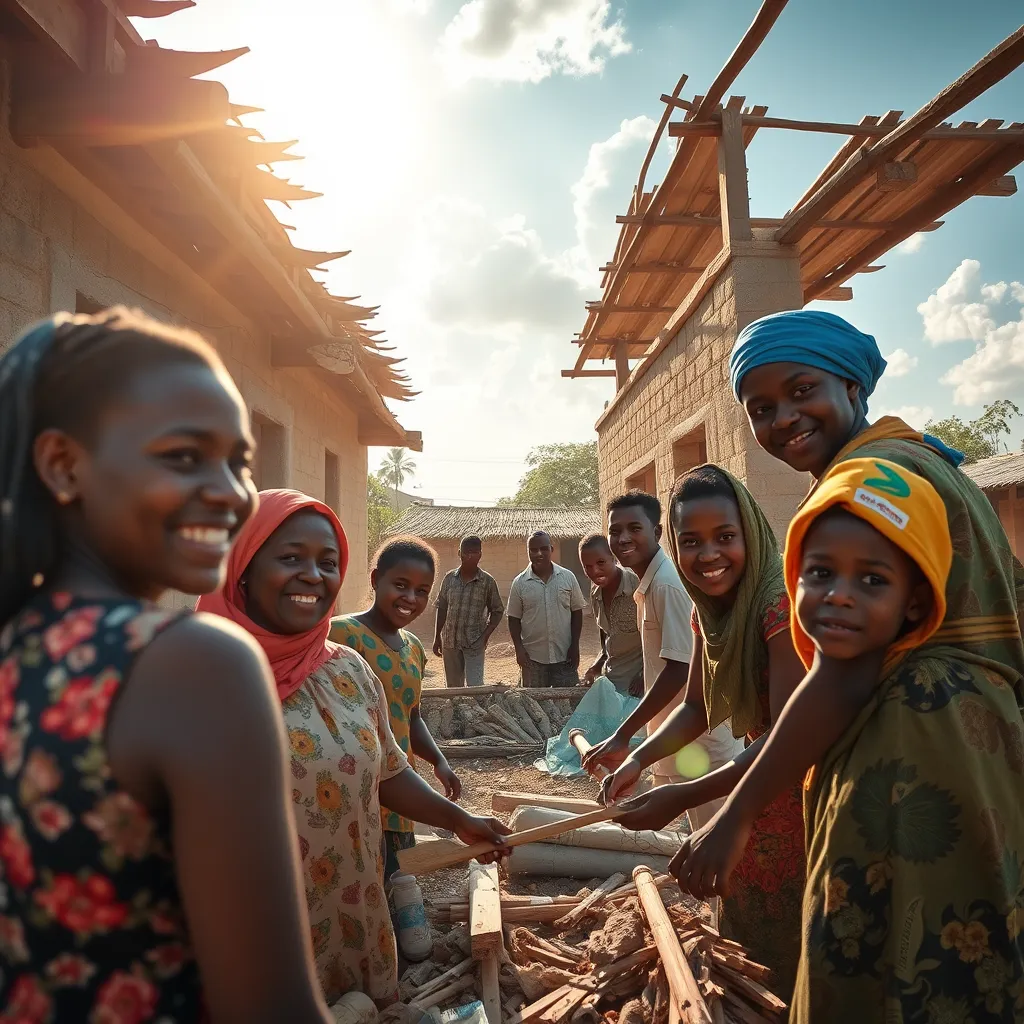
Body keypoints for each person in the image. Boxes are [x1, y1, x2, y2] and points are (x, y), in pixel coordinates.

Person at [672, 308, 1024, 1017]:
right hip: (985, 755)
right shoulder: (924, 465)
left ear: (852, 387)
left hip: (908, 761)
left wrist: (735, 815)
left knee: (886, 967)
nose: (783, 418)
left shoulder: (866, 490)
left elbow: (843, 674)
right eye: (761, 408)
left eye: (802, 390)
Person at [0, 310, 332, 1022]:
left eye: (240, 462)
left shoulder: (19, 648)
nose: (231, 493)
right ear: (64, 465)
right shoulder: (196, 664)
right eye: (184, 456)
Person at [196, 490, 510, 1008]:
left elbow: (388, 771)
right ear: (243, 568)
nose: (313, 576)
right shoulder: (199, 677)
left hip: (350, 912)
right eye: (290, 558)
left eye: (327, 563)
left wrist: (460, 820)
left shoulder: (347, 669)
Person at [599, 467, 805, 998]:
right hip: (758, 787)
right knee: (749, 928)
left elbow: (788, 734)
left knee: (796, 938)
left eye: (725, 537)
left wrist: (684, 795)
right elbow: (696, 705)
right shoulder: (707, 612)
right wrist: (638, 759)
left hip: (800, 792)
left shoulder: (779, 604)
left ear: (750, 533)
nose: (708, 555)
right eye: (691, 541)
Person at [583, 492, 743, 830]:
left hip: (699, 745)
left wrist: (623, 736)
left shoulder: (667, 585)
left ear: (656, 532)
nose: (623, 539)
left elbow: (680, 669)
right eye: (615, 531)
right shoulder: (650, 584)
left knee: (716, 838)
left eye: (634, 528)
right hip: (675, 741)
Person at [331, 537, 461, 881]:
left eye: (422, 591)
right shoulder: (342, 635)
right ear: (376, 579)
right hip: (352, 791)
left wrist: (438, 761)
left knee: (396, 882)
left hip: (401, 792)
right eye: (400, 585)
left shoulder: (413, 648)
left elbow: (410, 715)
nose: (410, 598)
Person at [507, 531, 586, 688]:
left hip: (565, 656)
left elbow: (577, 613)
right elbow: (513, 618)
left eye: (544, 549)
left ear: (551, 549)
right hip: (532, 659)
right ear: (528, 551)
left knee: (566, 699)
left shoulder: (568, 577)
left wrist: (575, 646)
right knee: (532, 701)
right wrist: (519, 649)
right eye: (533, 550)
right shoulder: (519, 583)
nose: (539, 553)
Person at [432, 535, 504, 687]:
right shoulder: (449, 578)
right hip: (450, 642)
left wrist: (485, 636)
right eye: (466, 552)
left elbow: (498, 611)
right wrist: (437, 636)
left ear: (480, 554)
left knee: (475, 686)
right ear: (459, 553)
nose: (470, 556)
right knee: (453, 688)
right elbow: (442, 607)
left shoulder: (487, 581)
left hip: (475, 643)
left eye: (474, 552)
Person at [578, 533, 644, 697]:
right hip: (613, 681)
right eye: (587, 567)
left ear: (614, 558)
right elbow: (607, 637)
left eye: (601, 562)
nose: (594, 571)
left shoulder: (638, 586)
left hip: (639, 688)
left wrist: (644, 674)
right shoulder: (595, 593)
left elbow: (660, 638)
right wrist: (596, 666)